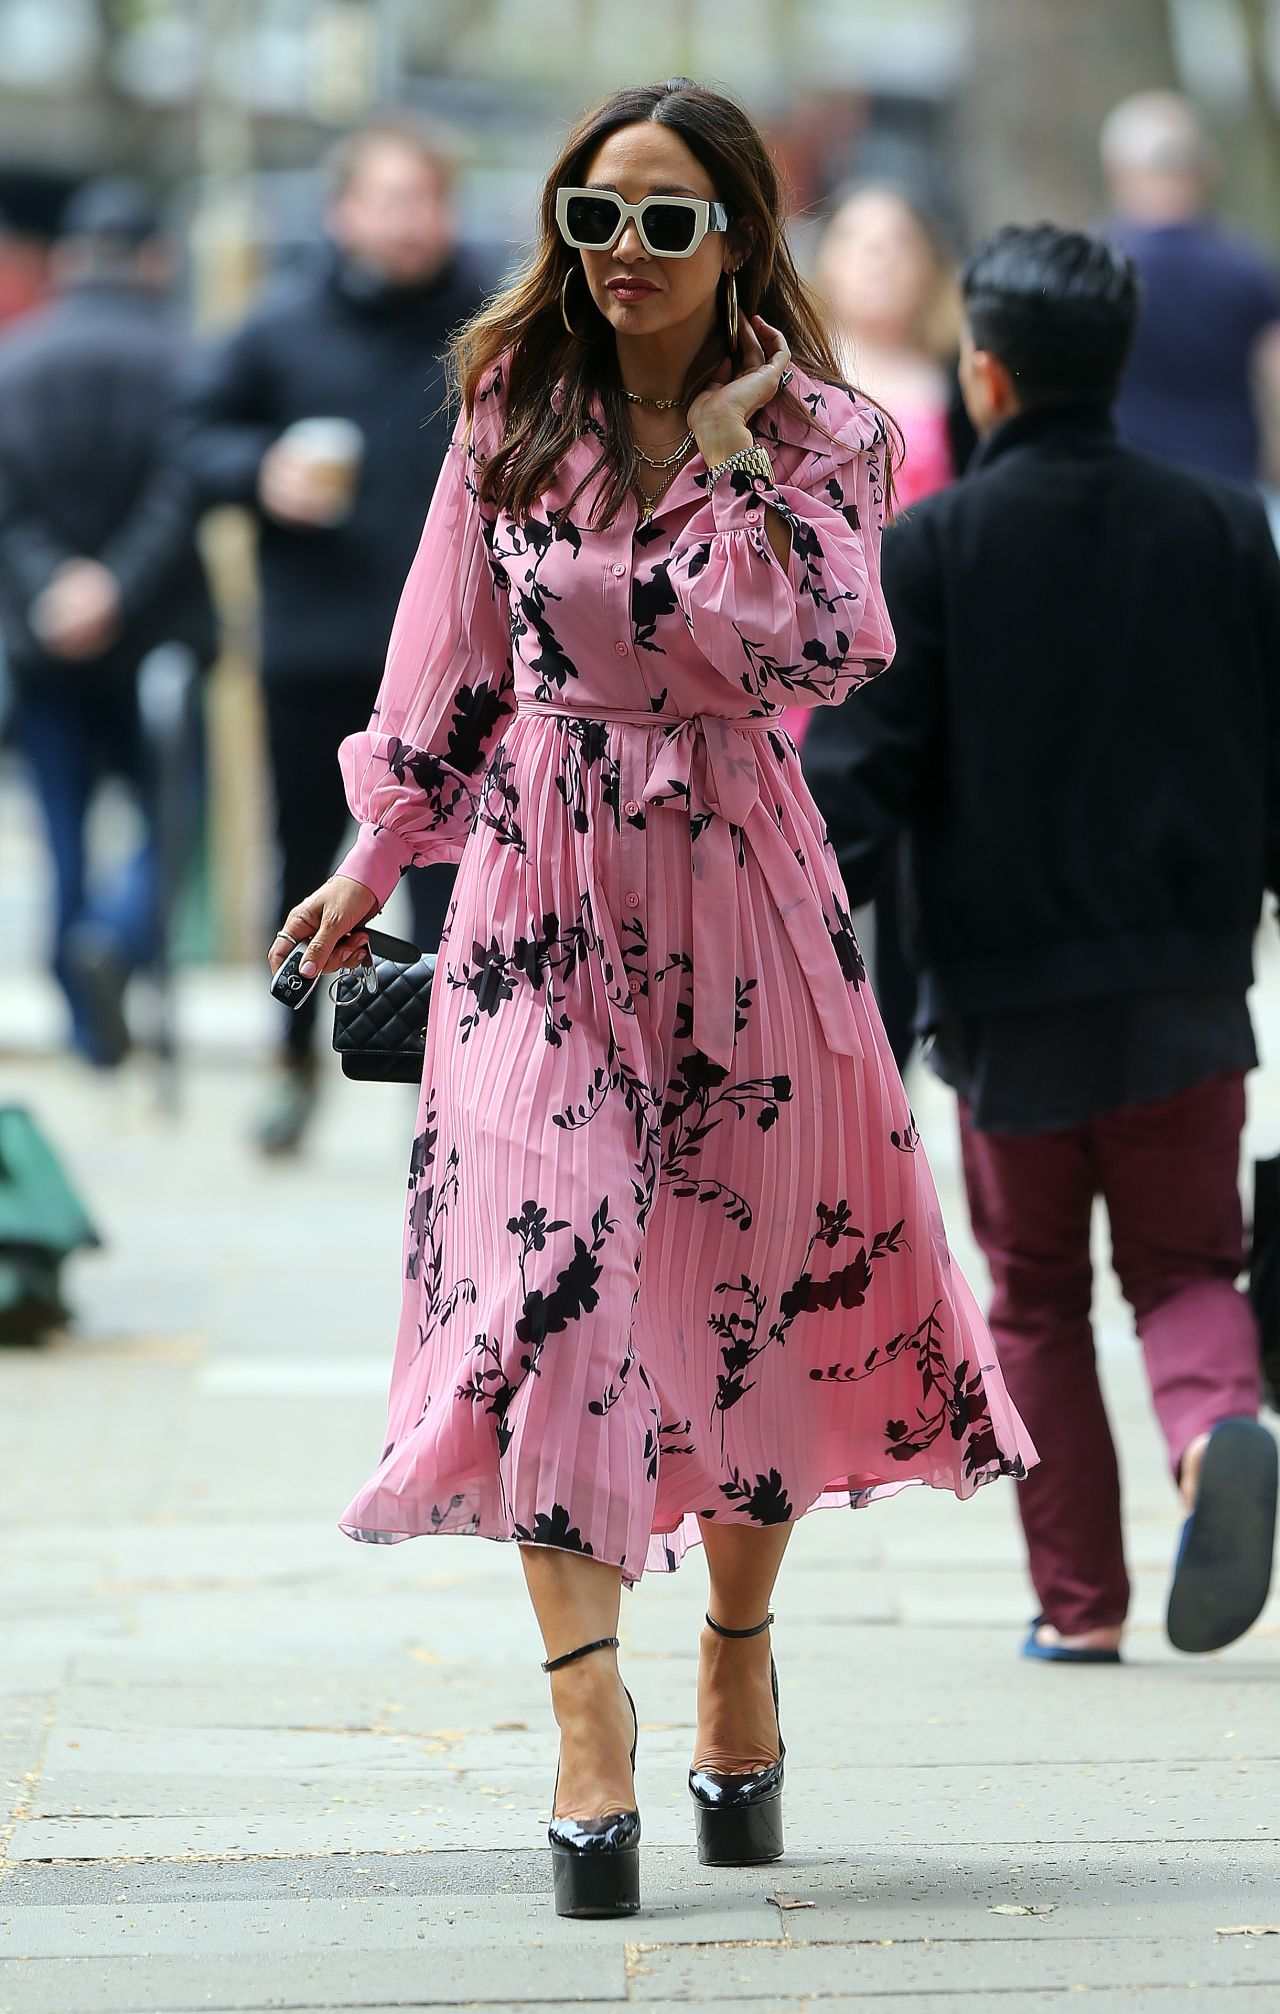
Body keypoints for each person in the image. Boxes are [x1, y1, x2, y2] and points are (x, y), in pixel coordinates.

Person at [269, 77, 1034, 1921]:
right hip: (533, 892)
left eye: (666, 221)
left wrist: (734, 451)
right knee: (541, 1287)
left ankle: (737, 1653)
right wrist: (374, 863)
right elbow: (450, 658)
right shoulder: (504, 410)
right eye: (593, 215)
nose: (620, 253)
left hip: (742, 889)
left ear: (737, 239)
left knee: (752, 1297)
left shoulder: (830, 430)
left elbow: (831, 642)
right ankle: (586, 1724)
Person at [804, 223, 1280, 1674]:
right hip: (1191, 980)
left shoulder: (932, 547)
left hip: (1008, 1001)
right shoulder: (1225, 524)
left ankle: (1082, 1603)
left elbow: (859, 783)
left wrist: (809, 940)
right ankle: (1215, 1433)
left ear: (987, 372)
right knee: (1193, 1262)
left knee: (1037, 1295)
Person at [177, 115, 491, 1152]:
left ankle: (440, 1087)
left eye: (427, 198)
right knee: (302, 855)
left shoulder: (491, 320)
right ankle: (288, 1065)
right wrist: (259, 474)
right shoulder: (278, 326)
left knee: (453, 870)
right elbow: (193, 442)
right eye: (389, 199)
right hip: (317, 643)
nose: (411, 221)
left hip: (459, 658)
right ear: (341, 211)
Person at [0, 177, 214, 1066]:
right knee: (174, 815)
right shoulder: (185, 357)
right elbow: (183, 487)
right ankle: (119, 938)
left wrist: (60, 584)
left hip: (42, 639)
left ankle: (87, 1015)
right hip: (156, 636)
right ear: (153, 259)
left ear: (70, 260)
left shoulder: (16, 356)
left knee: (60, 827)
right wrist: (117, 587)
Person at [805, 183, 972, 1065]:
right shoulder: (791, 379)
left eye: (896, 240)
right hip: (806, 663)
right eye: (857, 238)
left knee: (906, 877)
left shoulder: (959, 382)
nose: (876, 257)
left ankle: (892, 1081)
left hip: (921, 662)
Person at [1101, 90, 1280, 484]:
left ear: (1118, 172)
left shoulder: (1093, 267)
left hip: (1128, 491)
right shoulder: (1245, 265)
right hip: (1231, 490)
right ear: (1204, 169)